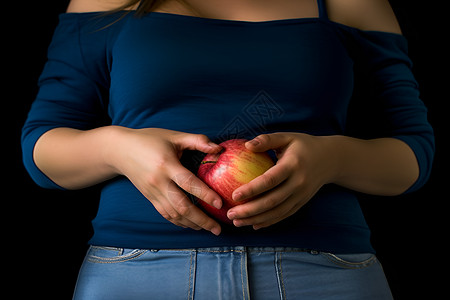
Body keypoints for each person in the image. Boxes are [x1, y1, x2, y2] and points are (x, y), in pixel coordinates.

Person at [22, 0, 434, 299]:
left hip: (323, 273)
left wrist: (332, 159)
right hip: (136, 273)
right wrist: (117, 147)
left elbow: (414, 152)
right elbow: (42, 148)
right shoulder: (110, 0)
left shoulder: (350, 3)